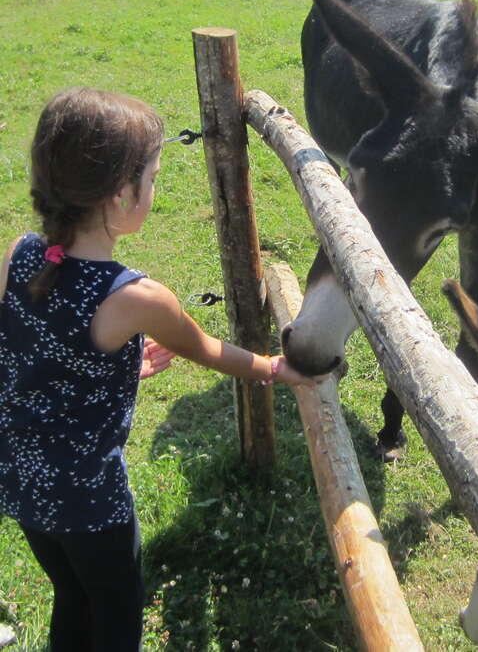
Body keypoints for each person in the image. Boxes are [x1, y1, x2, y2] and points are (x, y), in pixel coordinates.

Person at [0, 86, 315, 652]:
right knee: (117, 614)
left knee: (72, 598)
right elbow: (209, 350)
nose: (154, 189)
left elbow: (26, 353)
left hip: (23, 483)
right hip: (91, 501)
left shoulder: (21, 252)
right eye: (152, 178)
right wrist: (271, 367)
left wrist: (117, 373)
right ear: (122, 195)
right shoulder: (138, 299)